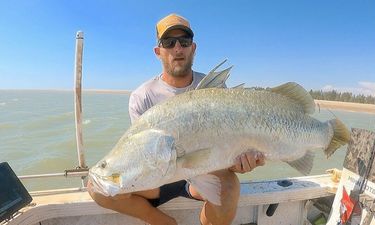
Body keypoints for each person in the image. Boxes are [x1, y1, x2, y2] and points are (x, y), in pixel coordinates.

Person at [88, 13, 265, 225]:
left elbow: (224, 149)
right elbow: (140, 154)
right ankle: (162, 222)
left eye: (184, 41)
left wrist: (238, 164)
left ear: (193, 47)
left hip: (203, 172)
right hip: (157, 180)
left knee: (230, 188)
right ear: (158, 51)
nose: (178, 48)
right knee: (97, 187)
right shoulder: (141, 96)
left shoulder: (215, 91)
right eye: (169, 42)